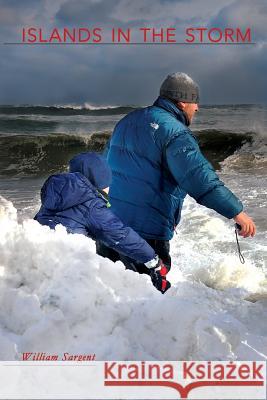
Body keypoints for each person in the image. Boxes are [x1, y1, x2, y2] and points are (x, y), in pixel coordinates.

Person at [97, 72, 256, 273]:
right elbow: (200, 178)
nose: (197, 107)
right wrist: (237, 213)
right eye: (195, 102)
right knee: (149, 296)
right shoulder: (175, 133)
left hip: (110, 227)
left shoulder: (127, 121)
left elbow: (103, 167)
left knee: (111, 291)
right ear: (182, 103)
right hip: (145, 236)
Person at [34, 152, 171, 293]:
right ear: (98, 178)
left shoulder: (56, 193)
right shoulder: (91, 204)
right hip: (64, 264)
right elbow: (121, 235)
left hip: (37, 253)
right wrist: (153, 260)